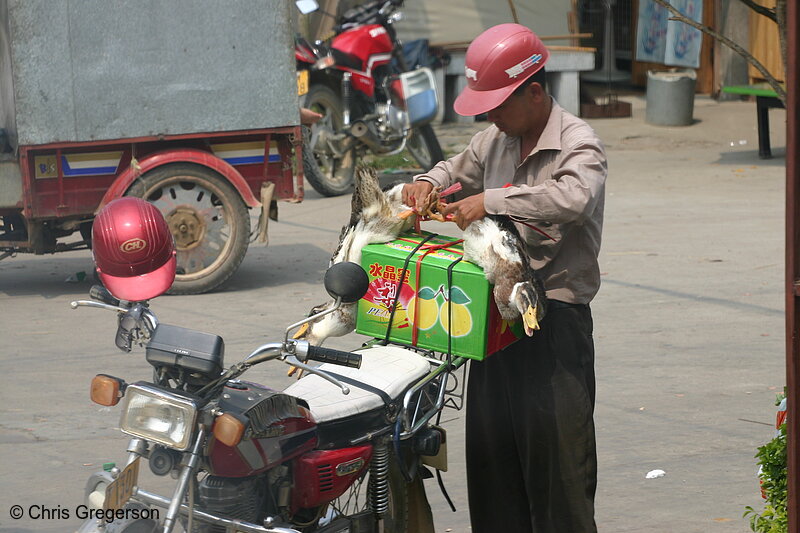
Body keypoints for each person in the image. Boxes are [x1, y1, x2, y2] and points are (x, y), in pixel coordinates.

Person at [402, 23, 607, 533]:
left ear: (534, 92)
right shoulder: (495, 138)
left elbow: (573, 200)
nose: (491, 116)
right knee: (495, 476)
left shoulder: (579, 144)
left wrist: (490, 200)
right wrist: (427, 183)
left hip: (553, 327)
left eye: (498, 104)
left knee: (560, 482)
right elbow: (457, 168)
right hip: (494, 324)